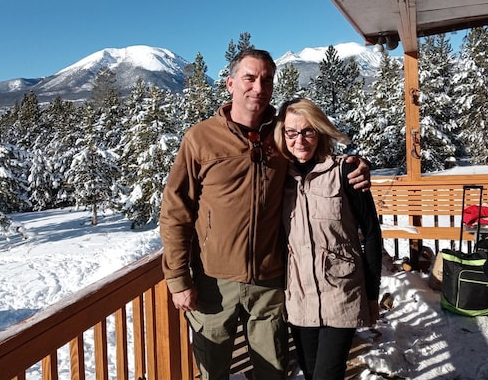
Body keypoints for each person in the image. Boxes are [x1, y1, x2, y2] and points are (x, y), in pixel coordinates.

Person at [159, 48, 371, 380]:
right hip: (214, 282)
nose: (258, 87)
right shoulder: (201, 138)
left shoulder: (280, 136)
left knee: (273, 372)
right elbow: (175, 210)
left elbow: (314, 153)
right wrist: (177, 278)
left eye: (266, 79)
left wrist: (355, 163)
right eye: (249, 78)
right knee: (212, 371)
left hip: (270, 282)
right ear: (230, 83)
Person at [274, 98, 382, 380]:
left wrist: (372, 294)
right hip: (299, 297)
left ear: (320, 132)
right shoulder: (277, 179)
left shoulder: (345, 171)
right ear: (282, 135)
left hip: (341, 293)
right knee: (311, 374)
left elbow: (371, 233)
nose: (300, 140)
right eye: (291, 132)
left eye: (308, 130)